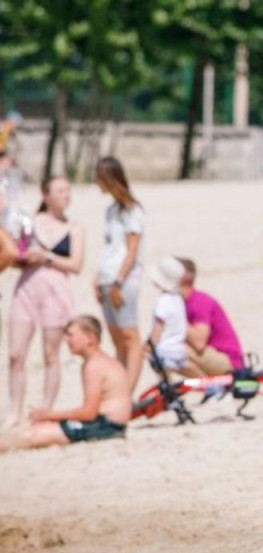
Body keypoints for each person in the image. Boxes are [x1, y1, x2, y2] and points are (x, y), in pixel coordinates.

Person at [7, 176, 84, 427]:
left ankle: (46, 409)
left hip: (56, 291)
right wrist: (23, 258)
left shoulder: (75, 227)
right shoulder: (29, 223)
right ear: (46, 196)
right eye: (60, 190)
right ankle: (15, 410)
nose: (66, 195)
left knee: (51, 354)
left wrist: (47, 257)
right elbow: (12, 255)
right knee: (16, 354)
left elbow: (76, 265)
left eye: (67, 190)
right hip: (27, 289)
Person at [0, 316, 131, 451]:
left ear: (89, 337)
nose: (66, 340)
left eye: (70, 335)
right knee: (40, 429)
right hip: (109, 425)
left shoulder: (94, 366)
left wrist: (48, 415)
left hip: (105, 427)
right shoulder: (102, 361)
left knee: (31, 434)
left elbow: (89, 413)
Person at [94, 156, 145, 392]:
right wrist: (99, 277)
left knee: (129, 336)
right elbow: (110, 248)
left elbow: (132, 249)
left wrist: (118, 281)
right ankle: (120, 389)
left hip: (123, 279)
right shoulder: (111, 210)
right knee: (117, 338)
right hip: (108, 276)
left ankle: (128, 391)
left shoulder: (132, 210)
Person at [175, 258, 244, 375]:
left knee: (168, 349)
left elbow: (199, 343)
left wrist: (175, 316)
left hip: (228, 361)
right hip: (211, 356)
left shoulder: (199, 302)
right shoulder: (182, 303)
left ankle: (210, 386)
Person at [147, 257, 188, 373]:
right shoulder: (178, 299)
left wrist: (150, 345)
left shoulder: (163, 300)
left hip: (164, 351)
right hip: (179, 350)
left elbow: (159, 327)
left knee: (165, 382)